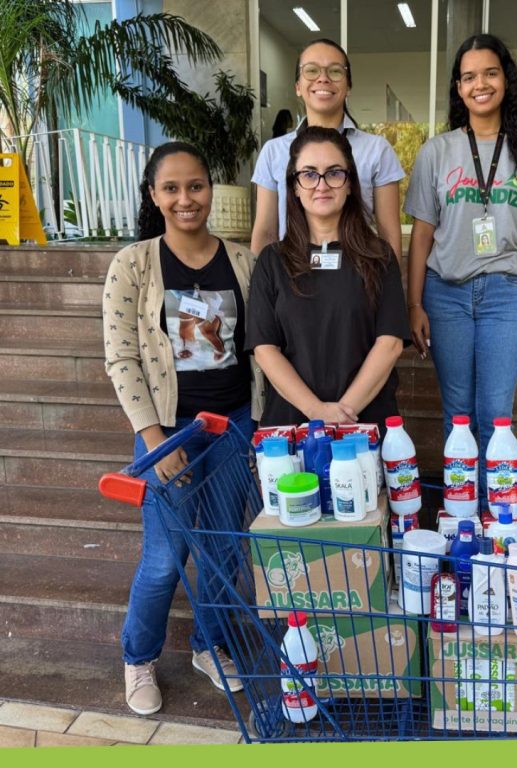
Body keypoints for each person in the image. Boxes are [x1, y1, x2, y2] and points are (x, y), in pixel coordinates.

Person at [103, 142, 264, 716]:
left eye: (195, 185)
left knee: (223, 550)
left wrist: (260, 432)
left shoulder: (243, 262)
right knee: (166, 557)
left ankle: (209, 644)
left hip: (234, 427)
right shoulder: (133, 263)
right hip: (168, 433)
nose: (184, 198)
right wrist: (152, 438)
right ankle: (138, 657)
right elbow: (121, 357)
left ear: (211, 190)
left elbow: (258, 353)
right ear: (154, 195)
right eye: (170, 188)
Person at [405, 34, 517, 510]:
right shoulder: (437, 152)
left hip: (506, 295)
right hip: (446, 294)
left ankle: (495, 519)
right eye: (469, 76)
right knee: (458, 415)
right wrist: (414, 303)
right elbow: (420, 236)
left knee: (496, 415)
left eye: (490, 73)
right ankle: (462, 516)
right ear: (458, 88)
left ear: (506, 80)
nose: (480, 84)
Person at [246, 126, 410, 435]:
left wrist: (342, 416)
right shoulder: (272, 261)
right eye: (309, 174)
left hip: (366, 426)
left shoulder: (379, 257)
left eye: (334, 173)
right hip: (290, 429)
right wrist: (316, 412)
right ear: (293, 186)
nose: (321, 185)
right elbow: (264, 348)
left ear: (350, 183)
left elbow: (389, 343)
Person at [250, 38, 405, 261]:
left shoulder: (377, 150)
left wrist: (392, 288)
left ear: (348, 86)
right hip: (292, 279)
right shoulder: (273, 151)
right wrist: (260, 289)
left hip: (359, 280)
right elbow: (266, 232)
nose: (323, 78)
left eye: (335, 71)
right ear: (297, 86)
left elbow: (389, 233)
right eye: (311, 70)